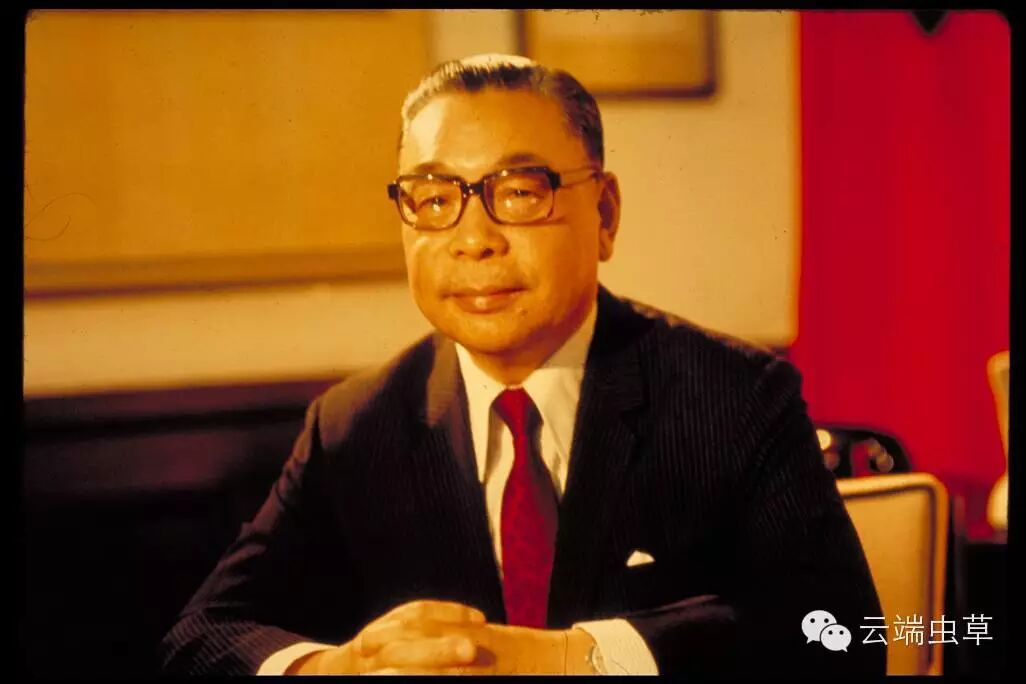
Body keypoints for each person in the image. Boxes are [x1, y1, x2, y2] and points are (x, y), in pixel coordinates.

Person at [159, 53, 885, 676]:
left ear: (605, 215)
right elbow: (201, 636)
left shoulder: (732, 396)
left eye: (518, 193)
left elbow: (843, 634)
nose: (473, 239)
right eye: (434, 198)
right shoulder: (355, 425)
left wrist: (573, 659)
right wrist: (337, 667)